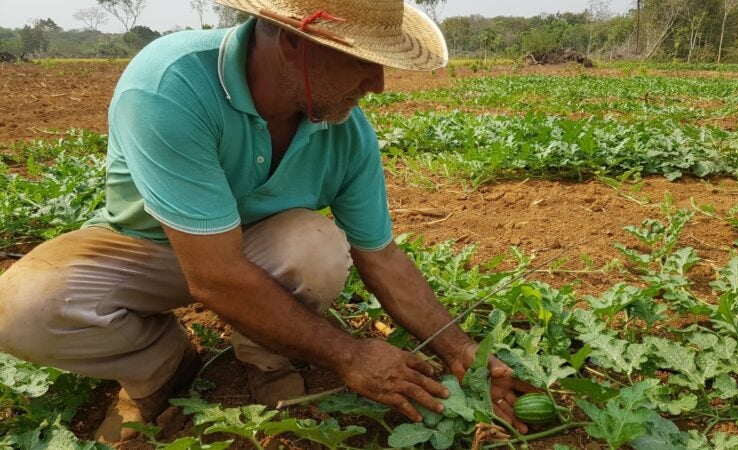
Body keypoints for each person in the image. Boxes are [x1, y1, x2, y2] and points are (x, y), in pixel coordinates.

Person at [0, 0, 533, 442]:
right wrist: (349, 355)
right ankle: (159, 364)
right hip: (142, 247)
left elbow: (382, 258)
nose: (378, 84)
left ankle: (266, 358)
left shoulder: (347, 134)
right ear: (294, 40)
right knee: (19, 311)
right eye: (361, 60)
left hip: (251, 256)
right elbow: (214, 275)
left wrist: (462, 351)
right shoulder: (171, 83)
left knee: (316, 246)